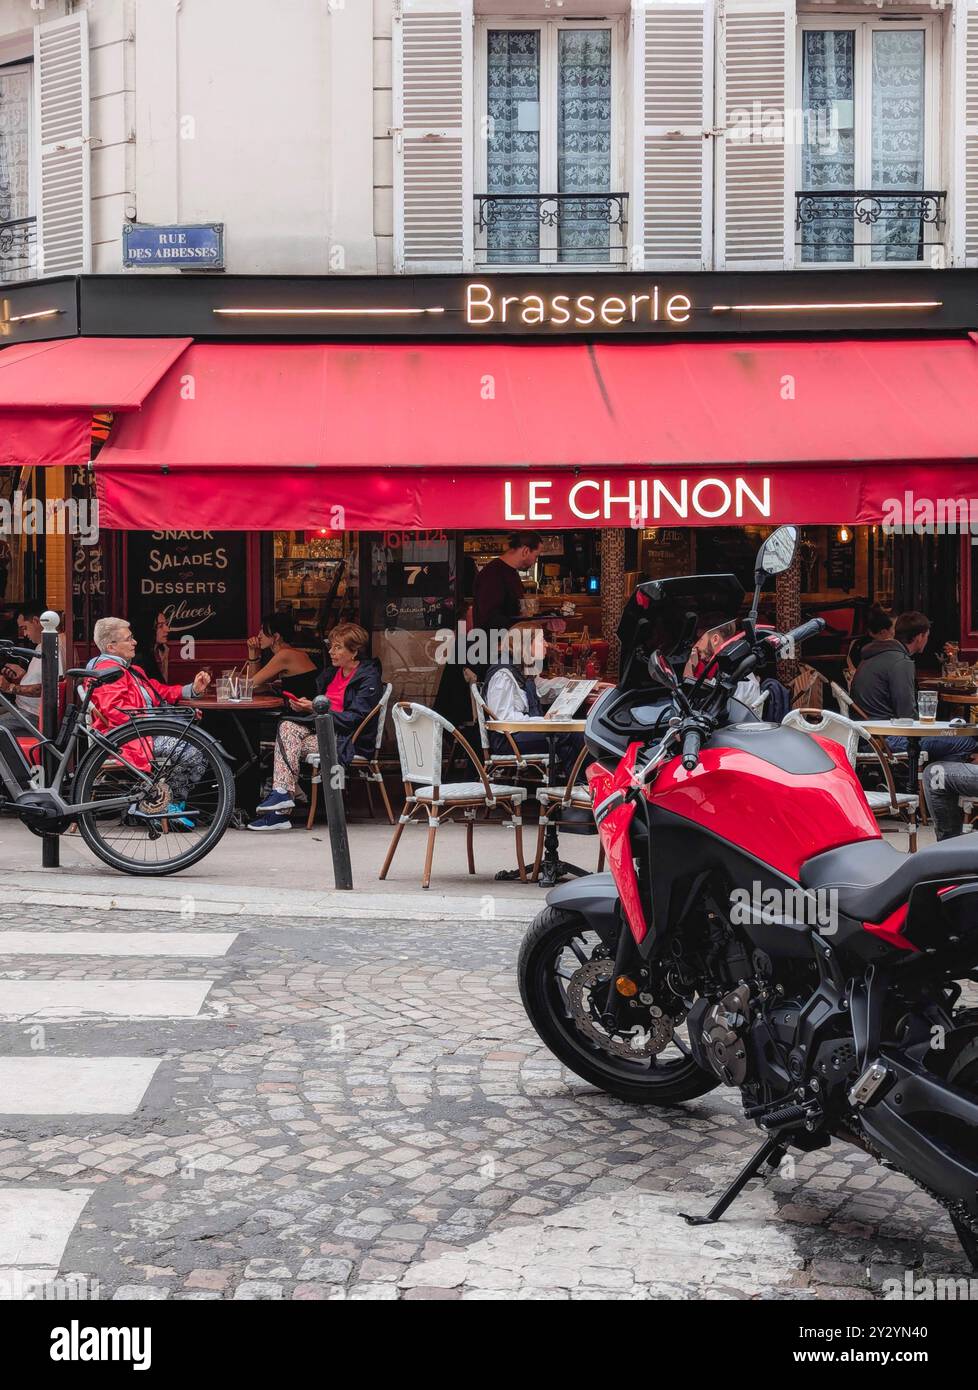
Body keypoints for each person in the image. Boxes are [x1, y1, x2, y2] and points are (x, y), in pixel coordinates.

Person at [248, 622, 382, 831]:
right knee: (287, 726)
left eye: (338, 647)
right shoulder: (332, 674)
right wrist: (306, 708)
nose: (331, 651)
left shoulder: (368, 678)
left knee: (285, 744)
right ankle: (283, 796)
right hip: (323, 730)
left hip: (347, 739)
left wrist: (316, 708)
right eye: (332, 646)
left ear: (354, 651)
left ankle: (281, 809)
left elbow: (355, 719)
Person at [87, 616, 213, 826]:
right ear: (111, 646)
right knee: (192, 752)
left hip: (141, 734)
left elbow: (159, 692)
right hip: (125, 740)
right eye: (128, 639)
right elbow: (114, 711)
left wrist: (192, 689)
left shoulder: (131, 670)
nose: (134, 642)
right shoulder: (107, 672)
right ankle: (163, 806)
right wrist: (158, 722)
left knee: (194, 747)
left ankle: (168, 805)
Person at [851, 610, 978, 762]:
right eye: (927, 636)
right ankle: (928, 779)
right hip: (888, 739)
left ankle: (924, 778)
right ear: (919, 637)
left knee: (951, 745)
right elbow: (907, 716)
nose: (926, 640)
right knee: (967, 742)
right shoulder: (900, 662)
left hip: (868, 737)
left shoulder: (872, 656)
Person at [482, 625, 587, 784]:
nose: (546, 644)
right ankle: (586, 789)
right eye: (541, 640)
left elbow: (544, 688)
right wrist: (541, 721)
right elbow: (503, 718)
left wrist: (581, 685)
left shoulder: (523, 669)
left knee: (571, 742)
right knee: (572, 735)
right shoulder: (503, 674)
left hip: (523, 734)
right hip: (508, 740)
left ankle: (576, 790)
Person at [472, 531, 543, 665]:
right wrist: (526, 628)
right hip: (493, 653)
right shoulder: (492, 574)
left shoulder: (511, 573)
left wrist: (542, 620)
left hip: (509, 651)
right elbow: (490, 619)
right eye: (536, 556)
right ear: (526, 551)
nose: (535, 561)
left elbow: (514, 612)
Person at [0, 600, 63, 729]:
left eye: (24, 628)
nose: (24, 634)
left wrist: (10, 687)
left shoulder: (53, 646)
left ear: (36, 621)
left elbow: (51, 687)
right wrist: (23, 677)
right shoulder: (46, 644)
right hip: (24, 709)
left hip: (32, 715)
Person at [245, 611, 318, 697]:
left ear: (276, 637)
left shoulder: (285, 655)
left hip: (300, 709)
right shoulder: (293, 653)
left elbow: (249, 684)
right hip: (301, 706)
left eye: (263, 631)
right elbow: (254, 685)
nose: (259, 635)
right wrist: (253, 650)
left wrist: (252, 654)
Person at [846, 604, 894, 682]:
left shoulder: (854, 643)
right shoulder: (882, 651)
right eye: (892, 631)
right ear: (883, 632)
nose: (893, 634)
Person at [132, 610, 170, 684]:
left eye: (166, 624)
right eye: (160, 626)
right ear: (148, 628)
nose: (167, 629)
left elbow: (163, 688)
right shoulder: (140, 658)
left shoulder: (154, 653)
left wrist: (164, 662)